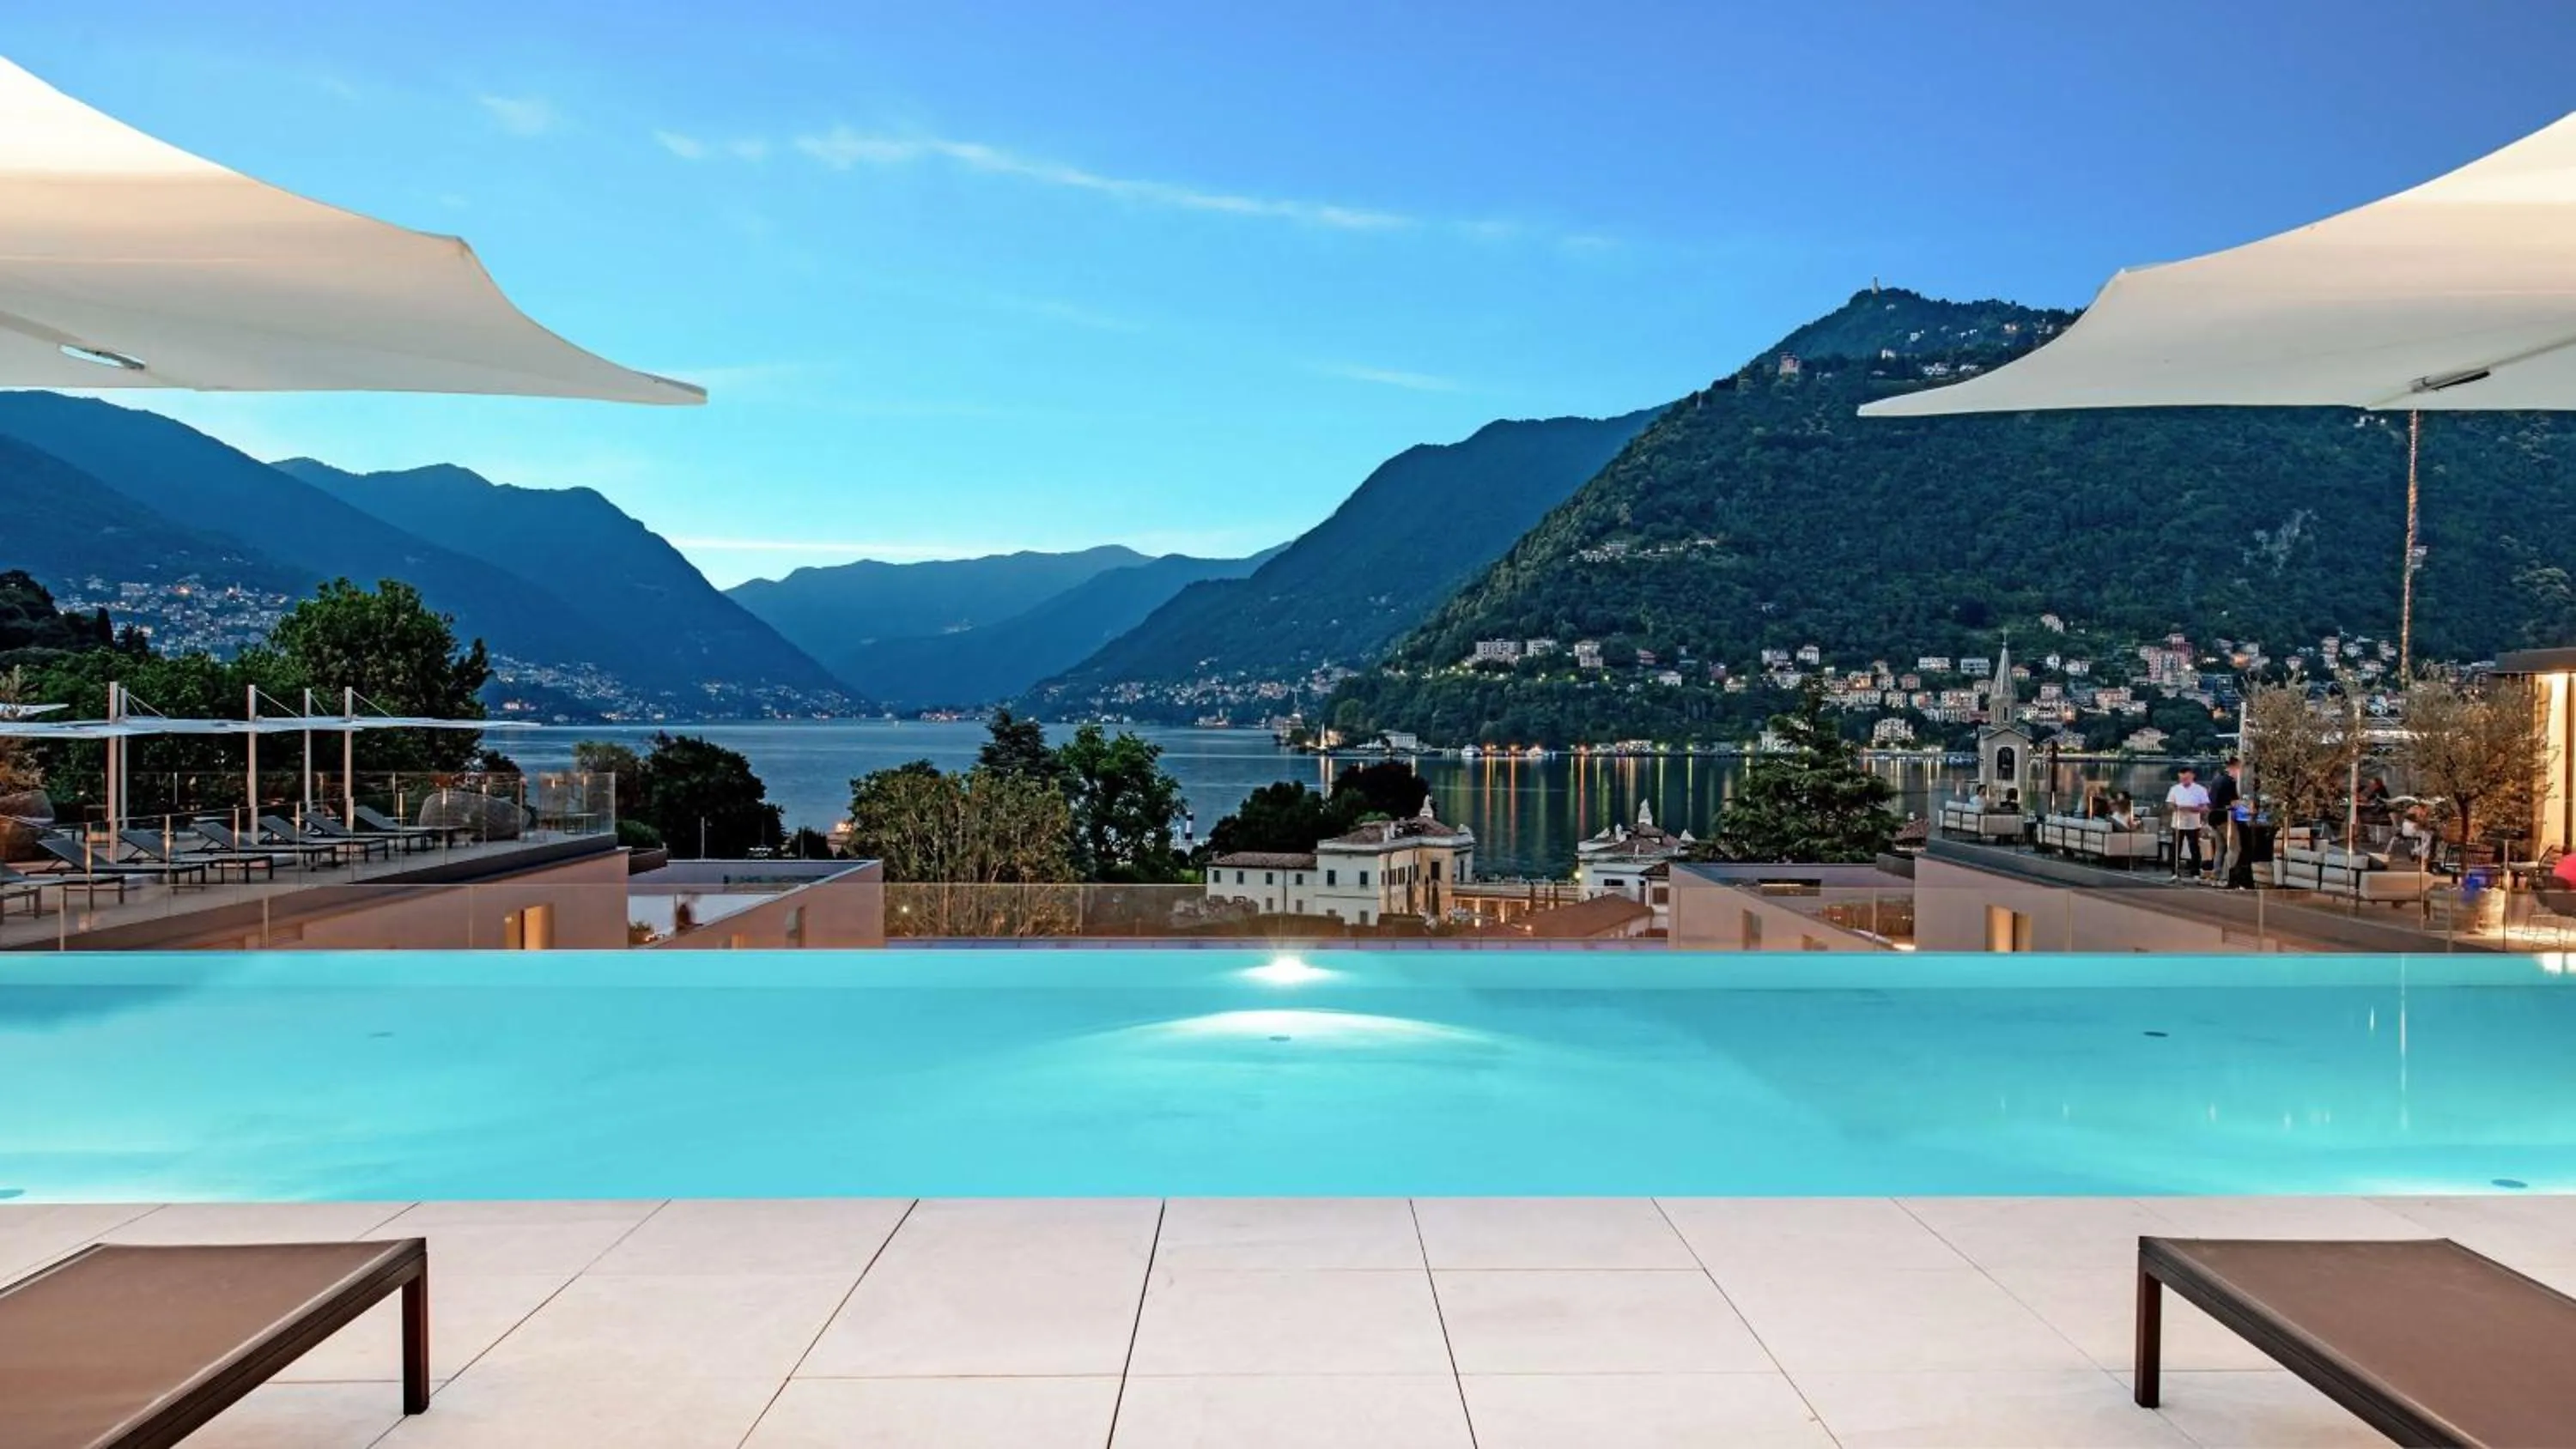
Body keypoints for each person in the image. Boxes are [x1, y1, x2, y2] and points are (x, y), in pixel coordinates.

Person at [2166, 767, 2210, 881]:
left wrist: (2194, 809)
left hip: (2193, 822)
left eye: (2186, 779)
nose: (2184, 781)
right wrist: (2177, 807)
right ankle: (2174, 871)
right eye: (2182, 779)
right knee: (2176, 847)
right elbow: (2169, 804)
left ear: (2192, 777)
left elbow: (2205, 807)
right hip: (2178, 822)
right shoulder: (2175, 789)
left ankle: (2195, 872)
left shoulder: (2200, 789)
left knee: (2194, 847)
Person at [2206, 761, 2244, 882]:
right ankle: (2227, 876)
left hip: (2213, 817)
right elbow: (2232, 802)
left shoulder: (2216, 780)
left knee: (2220, 848)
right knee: (2234, 848)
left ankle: (2216, 874)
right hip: (2224, 818)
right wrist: (2244, 805)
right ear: (2235, 767)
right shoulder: (2230, 781)